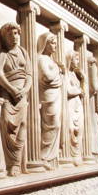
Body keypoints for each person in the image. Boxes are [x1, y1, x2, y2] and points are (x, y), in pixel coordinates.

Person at [0, 23, 32, 177]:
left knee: (23, 125)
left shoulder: (24, 53)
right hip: (9, 95)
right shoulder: (3, 55)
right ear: (5, 37)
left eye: (16, 33)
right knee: (7, 124)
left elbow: (29, 74)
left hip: (22, 95)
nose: (15, 37)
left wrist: (24, 90)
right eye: (11, 34)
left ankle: (16, 164)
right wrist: (12, 90)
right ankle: (10, 162)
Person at [37, 32, 64, 170]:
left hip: (55, 95)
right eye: (52, 43)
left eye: (55, 43)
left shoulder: (51, 60)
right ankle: (43, 156)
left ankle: (49, 157)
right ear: (45, 44)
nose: (55, 45)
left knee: (56, 125)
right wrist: (58, 71)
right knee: (50, 125)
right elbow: (47, 76)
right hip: (47, 96)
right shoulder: (41, 59)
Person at [66, 50, 84, 166]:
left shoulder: (75, 76)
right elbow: (68, 91)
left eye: (78, 59)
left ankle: (77, 155)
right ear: (70, 59)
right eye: (76, 59)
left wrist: (83, 79)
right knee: (71, 129)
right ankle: (71, 156)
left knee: (80, 130)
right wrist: (79, 90)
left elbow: (83, 93)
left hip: (78, 104)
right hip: (71, 104)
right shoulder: (67, 74)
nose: (77, 61)